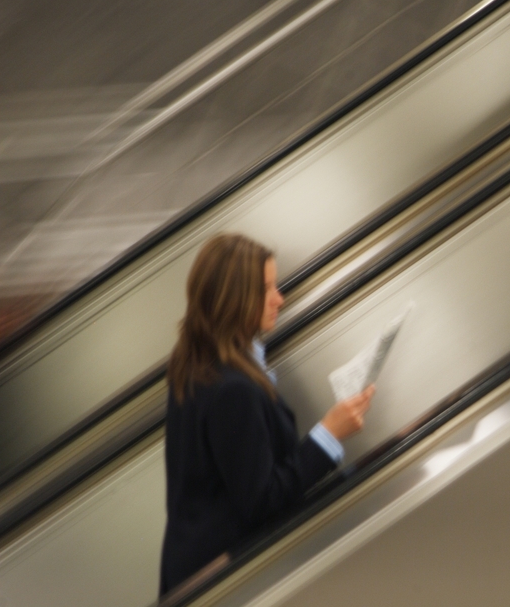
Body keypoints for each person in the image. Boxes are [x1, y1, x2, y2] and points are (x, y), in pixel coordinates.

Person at [159, 233, 375, 597]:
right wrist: (328, 435)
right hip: (224, 579)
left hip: (193, 569)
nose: (280, 298)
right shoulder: (232, 389)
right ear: (234, 298)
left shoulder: (198, 361)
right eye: (266, 289)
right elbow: (260, 500)